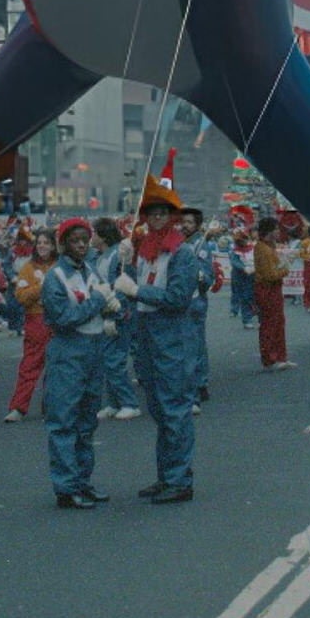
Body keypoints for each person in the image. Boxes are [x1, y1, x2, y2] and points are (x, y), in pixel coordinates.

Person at [114, 170, 199, 504]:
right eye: (151, 213)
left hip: (173, 335)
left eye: (162, 212)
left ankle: (180, 479)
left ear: (172, 216)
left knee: (174, 407)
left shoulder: (183, 254)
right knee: (159, 409)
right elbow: (126, 286)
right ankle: (167, 476)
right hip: (147, 333)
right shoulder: (144, 249)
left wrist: (137, 291)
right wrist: (120, 265)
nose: (157, 217)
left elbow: (177, 298)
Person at [40, 215, 122, 506]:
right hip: (69, 352)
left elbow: (104, 301)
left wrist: (113, 305)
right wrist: (98, 302)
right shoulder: (55, 278)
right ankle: (65, 487)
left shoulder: (91, 271)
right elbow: (63, 319)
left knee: (87, 421)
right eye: (74, 241)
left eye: (85, 240)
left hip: (95, 348)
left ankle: (82, 481)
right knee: (64, 419)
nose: (81, 246)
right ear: (62, 245)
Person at [90, 218, 142, 420]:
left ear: (102, 235)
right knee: (106, 361)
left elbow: (121, 286)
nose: (91, 237)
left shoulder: (116, 257)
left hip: (118, 315)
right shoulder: (100, 257)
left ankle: (129, 402)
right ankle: (114, 402)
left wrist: (115, 314)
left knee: (114, 361)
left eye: (94, 232)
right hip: (104, 313)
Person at [4, 230, 56, 421]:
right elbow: (21, 296)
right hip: (35, 321)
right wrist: (41, 288)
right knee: (29, 366)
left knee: (55, 367)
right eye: (39, 242)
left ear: (53, 246)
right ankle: (18, 407)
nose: (42, 246)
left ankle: (50, 406)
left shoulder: (60, 265)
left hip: (57, 322)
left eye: (46, 242)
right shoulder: (28, 267)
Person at [179, 206, 217, 405]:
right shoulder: (181, 243)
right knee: (197, 345)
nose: (185, 226)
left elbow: (206, 276)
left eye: (190, 222)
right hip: (186, 300)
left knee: (191, 348)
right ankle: (201, 383)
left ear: (198, 226)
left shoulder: (200, 246)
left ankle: (193, 391)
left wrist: (199, 276)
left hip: (194, 300)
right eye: (183, 222)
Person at [253, 217, 293, 371]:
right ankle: (270, 358)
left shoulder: (268, 247)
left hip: (272, 289)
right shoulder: (263, 249)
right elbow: (270, 275)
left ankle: (280, 357)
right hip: (267, 289)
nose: (278, 232)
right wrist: (285, 269)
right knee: (270, 324)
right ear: (269, 231)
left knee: (277, 322)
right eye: (276, 229)